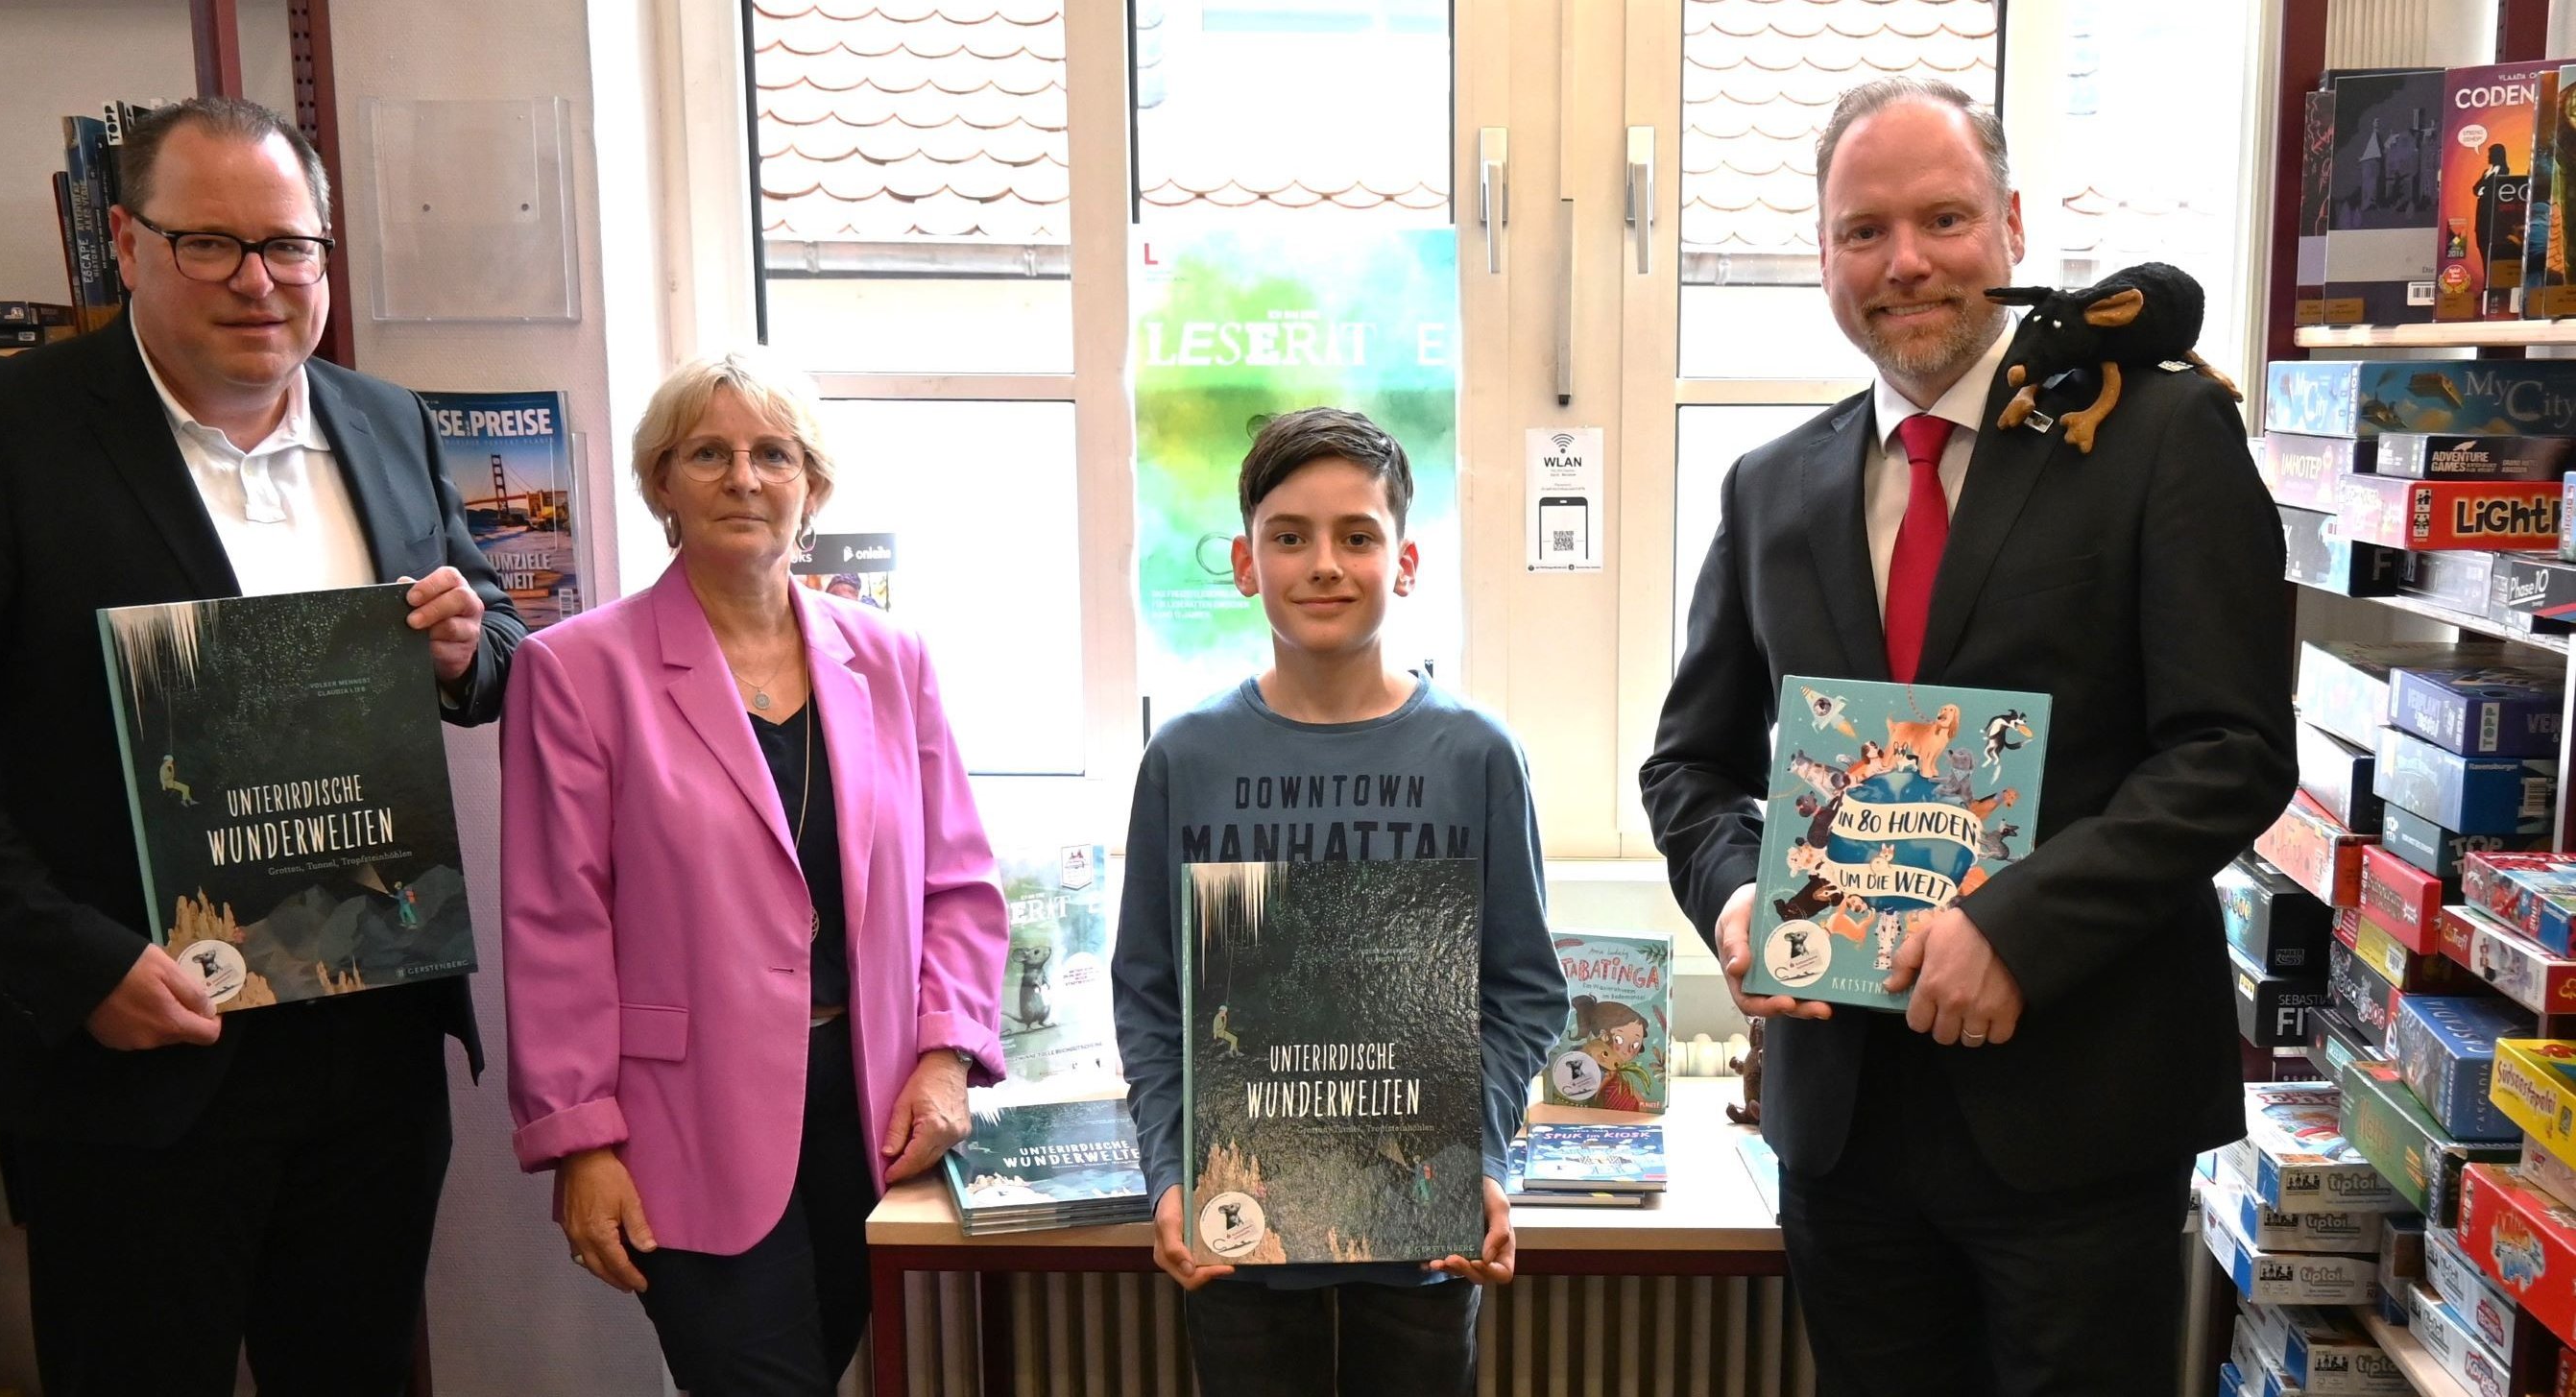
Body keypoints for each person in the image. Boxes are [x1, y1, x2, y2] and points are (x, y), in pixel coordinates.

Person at [0, 96, 522, 1396]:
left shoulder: (384, 421)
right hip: (133, 1048)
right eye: (212, 243)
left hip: (368, 1041)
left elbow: (493, 659)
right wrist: (71, 960)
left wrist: (463, 647)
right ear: (128, 242)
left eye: (290, 245)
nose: (259, 281)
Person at [1638, 77, 2295, 1395]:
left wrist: (2017, 926)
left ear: (2009, 226)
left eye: (1941, 219)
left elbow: (2230, 748)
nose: (1906, 263)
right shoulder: (1771, 488)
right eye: (1863, 231)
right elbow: (1691, 765)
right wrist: (1731, 903)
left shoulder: (2161, 434)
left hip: (2083, 1112)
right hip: (1842, 1125)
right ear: (1823, 256)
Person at [500, 349, 1008, 1396]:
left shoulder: (891, 660)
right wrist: (579, 1143)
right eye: (707, 454)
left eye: (772, 454)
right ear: (660, 487)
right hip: (680, 1125)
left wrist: (947, 1053)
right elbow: (554, 926)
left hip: (868, 1114)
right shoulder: (576, 672)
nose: (743, 478)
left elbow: (955, 886)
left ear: (811, 487)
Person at [1110, 407, 1567, 1397]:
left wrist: (1476, 1156)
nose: (1324, 563)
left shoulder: (1476, 756)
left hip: (1418, 1234)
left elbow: (1525, 993)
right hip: (1236, 1234)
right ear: (1243, 563)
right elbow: (1150, 998)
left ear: (1402, 562)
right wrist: (1168, 1174)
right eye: (1289, 536)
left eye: (1356, 535)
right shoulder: (1184, 761)